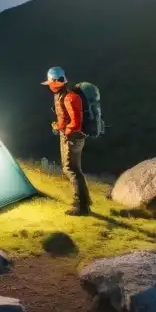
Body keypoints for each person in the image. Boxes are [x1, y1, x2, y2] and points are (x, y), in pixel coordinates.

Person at [42, 66, 91, 216]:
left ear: (56, 82)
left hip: (72, 138)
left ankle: (81, 206)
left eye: (50, 82)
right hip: (72, 136)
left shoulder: (69, 98)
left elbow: (75, 123)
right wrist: (59, 126)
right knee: (75, 169)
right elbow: (66, 118)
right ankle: (85, 201)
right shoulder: (62, 95)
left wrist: (65, 132)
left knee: (71, 169)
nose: (49, 86)